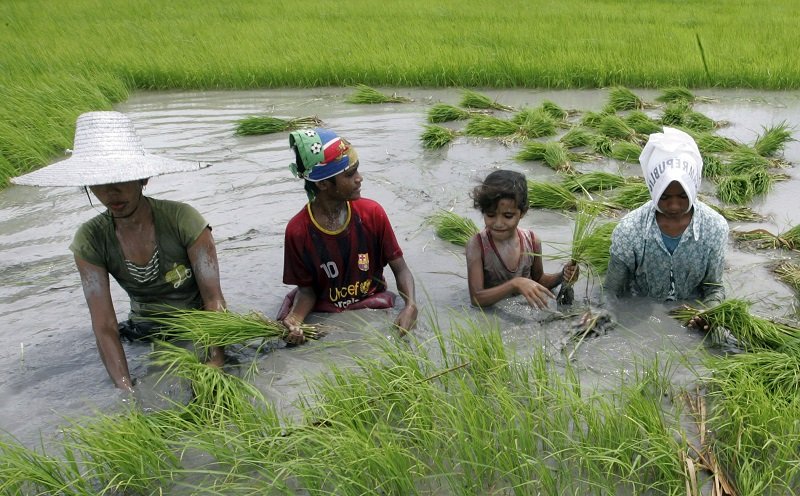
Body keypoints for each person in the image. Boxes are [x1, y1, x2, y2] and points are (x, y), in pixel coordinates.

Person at [11, 111, 226, 392]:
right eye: (98, 182)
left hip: (197, 324)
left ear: (143, 178)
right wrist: (125, 389)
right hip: (144, 329)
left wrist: (217, 361)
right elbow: (104, 324)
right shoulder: (90, 239)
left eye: (120, 180)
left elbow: (214, 301)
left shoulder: (184, 221)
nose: (110, 193)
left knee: (187, 387)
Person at [278, 128, 418, 343]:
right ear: (323, 184)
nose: (359, 179)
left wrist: (410, 306)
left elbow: (401, 268)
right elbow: (307, 291)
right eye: (350, 174)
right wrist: (296, 319)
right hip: (327, 311)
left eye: (357, 171)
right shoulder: (298, 231)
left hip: (371, 301)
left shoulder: (373, 214)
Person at [603, 127, 729, 329]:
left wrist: (708, 312)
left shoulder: (714, 227)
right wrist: (605, 313)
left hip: (690, 313)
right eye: (664, 197)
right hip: (643, 314)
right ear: (654, 190)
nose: (674, 206)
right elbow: (611, 290)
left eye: (682, 196)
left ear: (694, 188)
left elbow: (714, 288)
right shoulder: (630, 230)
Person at [465, 169, 577, 308]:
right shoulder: (477, 245)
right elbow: (476, 299)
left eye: (508, 216)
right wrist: (515, 284)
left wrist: (563, 275)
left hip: (523, 310)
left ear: (522, 212)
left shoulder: (532, 241)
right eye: (491, 215)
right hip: (493, 316)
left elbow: (539, 280)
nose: (498, 223)